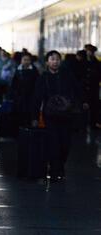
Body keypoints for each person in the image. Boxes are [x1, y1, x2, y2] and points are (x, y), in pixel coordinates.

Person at [32, 50, 87, 182]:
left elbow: (77, 89)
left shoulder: (67, 75)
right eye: (52, 59)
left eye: (57, 59)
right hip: (50, 116)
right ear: (47, 62)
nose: (55, 62)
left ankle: (59, 166)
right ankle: (56, 170)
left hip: (66, 115)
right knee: (54, 144)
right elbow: (37, 98)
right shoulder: (43, 78)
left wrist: (83, 101)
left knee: (65, 144)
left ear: (60, 61)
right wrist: (34, 117)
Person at [10, 52, 39, 128]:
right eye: (24, 59)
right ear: (21, 60)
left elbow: (37, 84)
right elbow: (13, 84)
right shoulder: (17, 70)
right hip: (19, 98)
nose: (26, 61)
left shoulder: (34, 71)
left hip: (31, 98)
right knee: (19, 115)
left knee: (29, 115)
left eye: (28, 60)